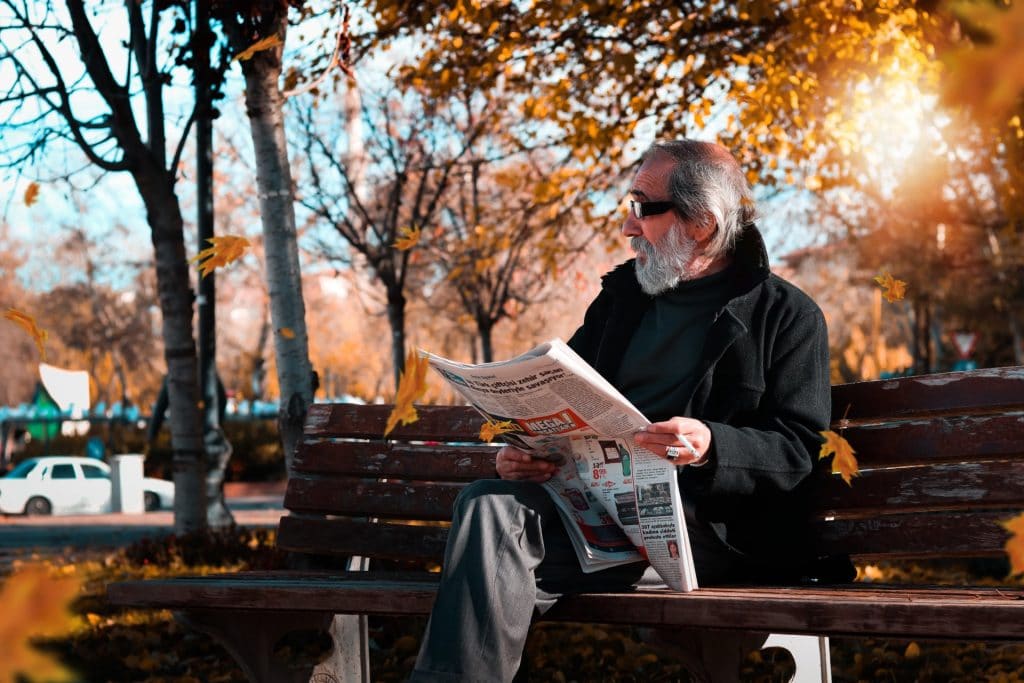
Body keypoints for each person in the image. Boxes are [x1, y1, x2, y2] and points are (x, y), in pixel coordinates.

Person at [410, 139, 850, 682]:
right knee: (489, 506)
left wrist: (711, 445)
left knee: (497, 554)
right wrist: (520, 448)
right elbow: (557, 390)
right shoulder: (621, 301)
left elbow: (800, 449)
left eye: (643, 207)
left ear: (703, 223)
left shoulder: (787, 316)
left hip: (708, 532)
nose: (627, 226)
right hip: (599, 517)